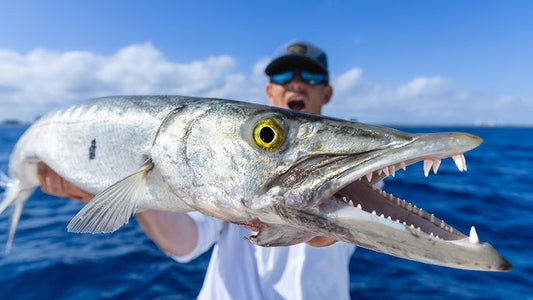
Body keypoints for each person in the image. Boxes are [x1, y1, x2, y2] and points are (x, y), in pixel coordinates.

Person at [37, 41, 355, 299]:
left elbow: (339, 229)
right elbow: (186, 244)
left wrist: (321, 228)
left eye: (311, 77)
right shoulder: (224, 156)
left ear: (326, 92)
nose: (296, 83)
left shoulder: (355, 168)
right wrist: (137, 193)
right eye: (284, 76)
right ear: (269, 91)